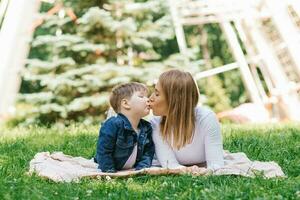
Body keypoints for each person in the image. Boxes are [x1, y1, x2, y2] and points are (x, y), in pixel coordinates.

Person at [149, 69, 224, 170]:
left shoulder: (207, 119)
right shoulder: (155, 123)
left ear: (174, 100)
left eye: (157, 94)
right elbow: (170, 165)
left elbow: (216, 165)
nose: (150, 98)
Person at [94, 82, 155, 172]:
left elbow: (148, 152)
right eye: (141, 97)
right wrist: (109, 171)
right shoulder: (112, 124)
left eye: (147, 96)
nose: (148, 99)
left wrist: (142, 169)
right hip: (110, 166)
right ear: (126, 103)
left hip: (131, 168)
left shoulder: (146, 127)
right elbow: (104, 151)